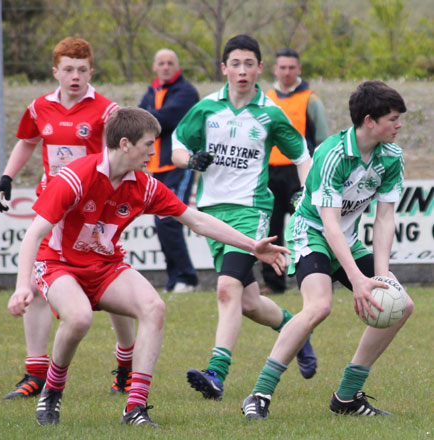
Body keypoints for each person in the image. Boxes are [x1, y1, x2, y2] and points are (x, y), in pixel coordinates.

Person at [7, 107, 289, 427]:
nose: (154, 152)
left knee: (154, 307)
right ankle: (52, 392)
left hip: (104, 265)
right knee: (79, 317)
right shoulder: (76, 176)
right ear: (125, 144)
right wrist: (21, 287)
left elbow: (195, 219)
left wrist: (253, 245)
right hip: (57, 264)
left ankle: (135, 408)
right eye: (148, 144)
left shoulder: (144, 185)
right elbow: (34, 234)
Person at [241, 80, 414, 420]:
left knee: (401, 305)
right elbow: (329, 224)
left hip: (346, 238)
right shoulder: (331, 155)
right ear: (369, 121)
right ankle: (258, 394)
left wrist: (379, 276)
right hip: (313, 232)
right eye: (393, 118)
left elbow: (384, 219)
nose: (399, 125)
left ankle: (347, 397)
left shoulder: (391, 156)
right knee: (319, 306)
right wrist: (357, 279)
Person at [171, 34, 317, 401]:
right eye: (234, 64)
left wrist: (308, 196)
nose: (241, 71)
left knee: (226, 289)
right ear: (223, 68)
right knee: (248, 303)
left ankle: (216, 372)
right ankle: (295, 329)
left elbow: (301, 155)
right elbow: (175, 145)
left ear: (259, 69)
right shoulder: (206, 109)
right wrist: (191, 160)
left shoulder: (270, 113)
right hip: (211, 214)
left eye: (248, 64)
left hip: (252, 211)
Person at [0, 37, 135, 399]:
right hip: (53, 207)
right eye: (68, 69)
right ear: (55, 71)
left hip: (94, 212)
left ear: (91, 71)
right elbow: (27, 141)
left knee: (111, 282)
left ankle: (126, 365)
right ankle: (35, 373)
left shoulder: (108, 111)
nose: (75, 76)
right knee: (41, 280)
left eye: (82, 69)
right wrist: (7, 176)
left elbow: (122, 153)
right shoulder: (40, 107)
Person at [261, 48, 329, 294]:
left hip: (301, 173)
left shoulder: (311, 99)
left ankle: (325, 274)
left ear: (298, 69)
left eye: (291, 67)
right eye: (282, 67)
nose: (287, 72)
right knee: (271, 230)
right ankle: (273, 282)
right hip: (270, 173)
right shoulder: (265, 97)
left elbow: (322, 139)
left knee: (312, 224)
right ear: (274, 69)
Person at [139, 49, 199, 293]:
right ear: (155, 67)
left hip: (179, 164)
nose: (165, 67)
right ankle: (175, 279)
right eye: (161, 63)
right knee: (161, 220)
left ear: (177, 66)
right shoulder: (152, 91)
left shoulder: (186, 92)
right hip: (157, 167)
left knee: (170, 219)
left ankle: (186, 278)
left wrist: (146, 118)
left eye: (170, 63)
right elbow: (140, 120)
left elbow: (160, 121)